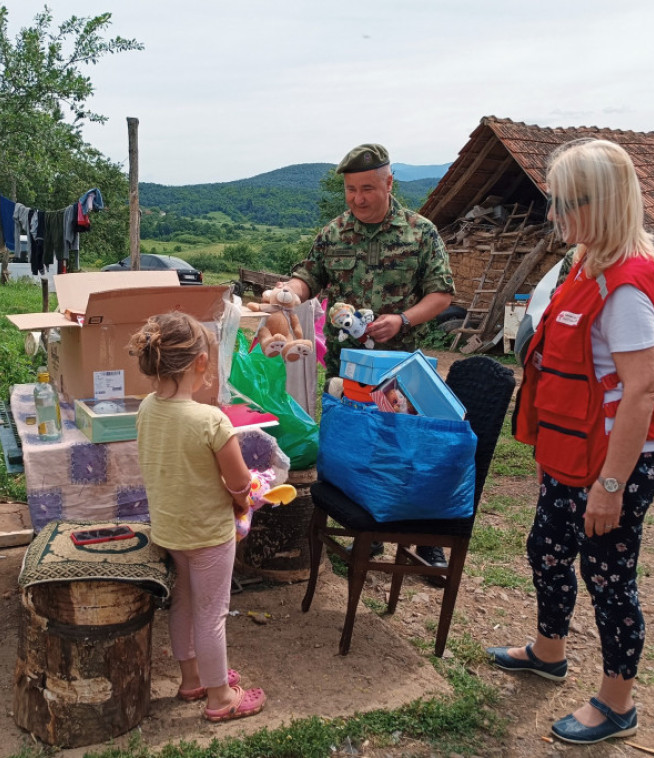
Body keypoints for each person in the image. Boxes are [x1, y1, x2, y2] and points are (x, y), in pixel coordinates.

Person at [490, 138, 654, 745]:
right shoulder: (586, 263)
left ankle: (616, 703)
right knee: (545, 548)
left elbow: (640, 391)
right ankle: (548, 652)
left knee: (608, 576)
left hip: (614, 463)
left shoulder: (624, 286)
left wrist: (609, 488)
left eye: (565, 204)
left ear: (600, 205)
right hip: (572, 453)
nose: (554, 215)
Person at [282, 142, 456, 572]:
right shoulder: (334, 233)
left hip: (400, 372)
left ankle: (421, 536)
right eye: (351, 190)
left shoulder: (420, 232)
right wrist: (290, 292)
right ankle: (356, 535)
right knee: (348, 452)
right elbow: (308, 277)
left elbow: (441, 294)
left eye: (367, 188)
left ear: (389, 183)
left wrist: (401, 319)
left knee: (406, 454)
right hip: (345, 371)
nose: (358, 198)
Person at [129, 312, 267, 723]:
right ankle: (220, 697)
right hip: (209, 534)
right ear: (201, 364)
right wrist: (247, 499)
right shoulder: (211, 421)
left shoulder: (146, 410)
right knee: (212, 615)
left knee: (184, 605)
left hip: (170, 530)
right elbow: (240, 482)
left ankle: (192, 679)